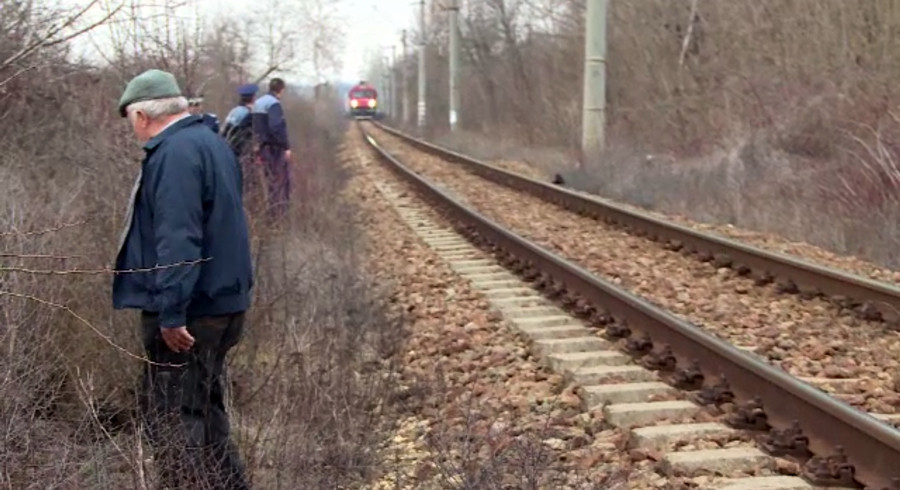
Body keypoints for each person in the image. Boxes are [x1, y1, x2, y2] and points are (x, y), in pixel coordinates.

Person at [113, 68, 253, 490]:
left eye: (131, 123)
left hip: (191, 311)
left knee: (173, 422)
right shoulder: (213, 144)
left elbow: (179, 239)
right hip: (225, 304)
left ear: (141, 116)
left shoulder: (174, 155)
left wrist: (172, 314)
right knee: (206, 415)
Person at [251, 78, 291, 218]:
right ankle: (278, 215)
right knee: (279, 181)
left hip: (261, 147)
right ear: (281, 90)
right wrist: (285, 146)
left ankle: (268, 213)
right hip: (274, 149)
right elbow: (275, 127)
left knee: (267, 181)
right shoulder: (274, 104)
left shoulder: (258, 103)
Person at [221, 83, 258, 192]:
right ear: (253, 98)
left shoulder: (234, 111)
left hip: (227, 148)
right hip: (240, 150)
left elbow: (224, 131)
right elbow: (248, 134)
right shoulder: (248, 114)